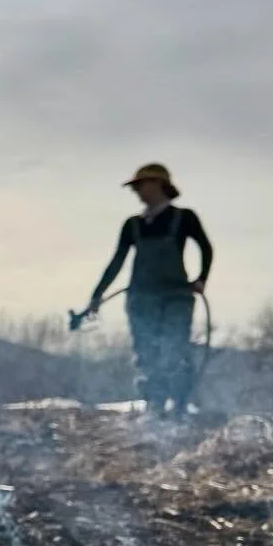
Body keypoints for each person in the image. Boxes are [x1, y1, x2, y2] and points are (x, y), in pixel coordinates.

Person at [87, 162, 212, 415]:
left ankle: (179, 406)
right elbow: (117, 261)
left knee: (174, 349)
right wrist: (97, 295)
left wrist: (201, 279)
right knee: (146, 352)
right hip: (141, 298)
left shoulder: (184, 218)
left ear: (158, 185)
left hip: (176, 295)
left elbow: (206, 248)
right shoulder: (132, 225)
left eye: (141, 186)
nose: (138, 192)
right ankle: (154, 406)